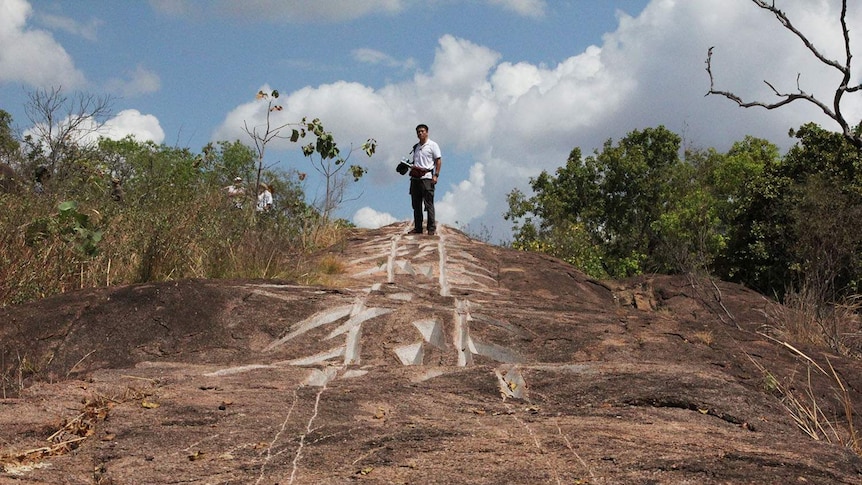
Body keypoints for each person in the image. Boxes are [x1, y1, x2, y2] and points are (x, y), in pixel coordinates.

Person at [408, 124, 442, 235]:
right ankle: (418, 228)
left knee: (429, 204)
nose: (420, 133)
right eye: (418, 132)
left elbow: (438, 160)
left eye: (422, 131)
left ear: (427, 132)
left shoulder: (432, 145)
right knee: (416, 204)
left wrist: (436, 175)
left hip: (427, 177)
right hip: (415, 178)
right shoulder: (416, 147)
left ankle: (431, 228)